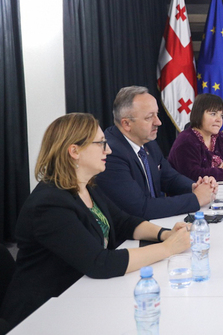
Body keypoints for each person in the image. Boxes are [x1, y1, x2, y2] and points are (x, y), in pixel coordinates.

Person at [0, 113, 191, 328]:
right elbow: (100, 263)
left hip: (81, 297)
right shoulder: (49, 205)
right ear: (74, 151)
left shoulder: (87, 187)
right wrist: (167, 248)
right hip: (43, 315)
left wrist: (165, 234)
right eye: (101, 144)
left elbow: (125, 223)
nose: (108, 150)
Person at [95, 86, 216, 220]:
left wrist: (195, 187)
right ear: (126, 124)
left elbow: (169, 178)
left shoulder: (148, 142)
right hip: (129, 237)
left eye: (157, 114)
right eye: (149, 117)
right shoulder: (111, 154)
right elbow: (141, 208)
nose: (158, 122)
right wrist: (196, 199)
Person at [168, 93, 223, 181]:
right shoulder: (186, 141)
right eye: (213, 114)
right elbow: (195, 175)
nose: (219, 120)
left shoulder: (219, 137)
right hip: (191, 193)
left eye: (221, 115)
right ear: (199, 114)